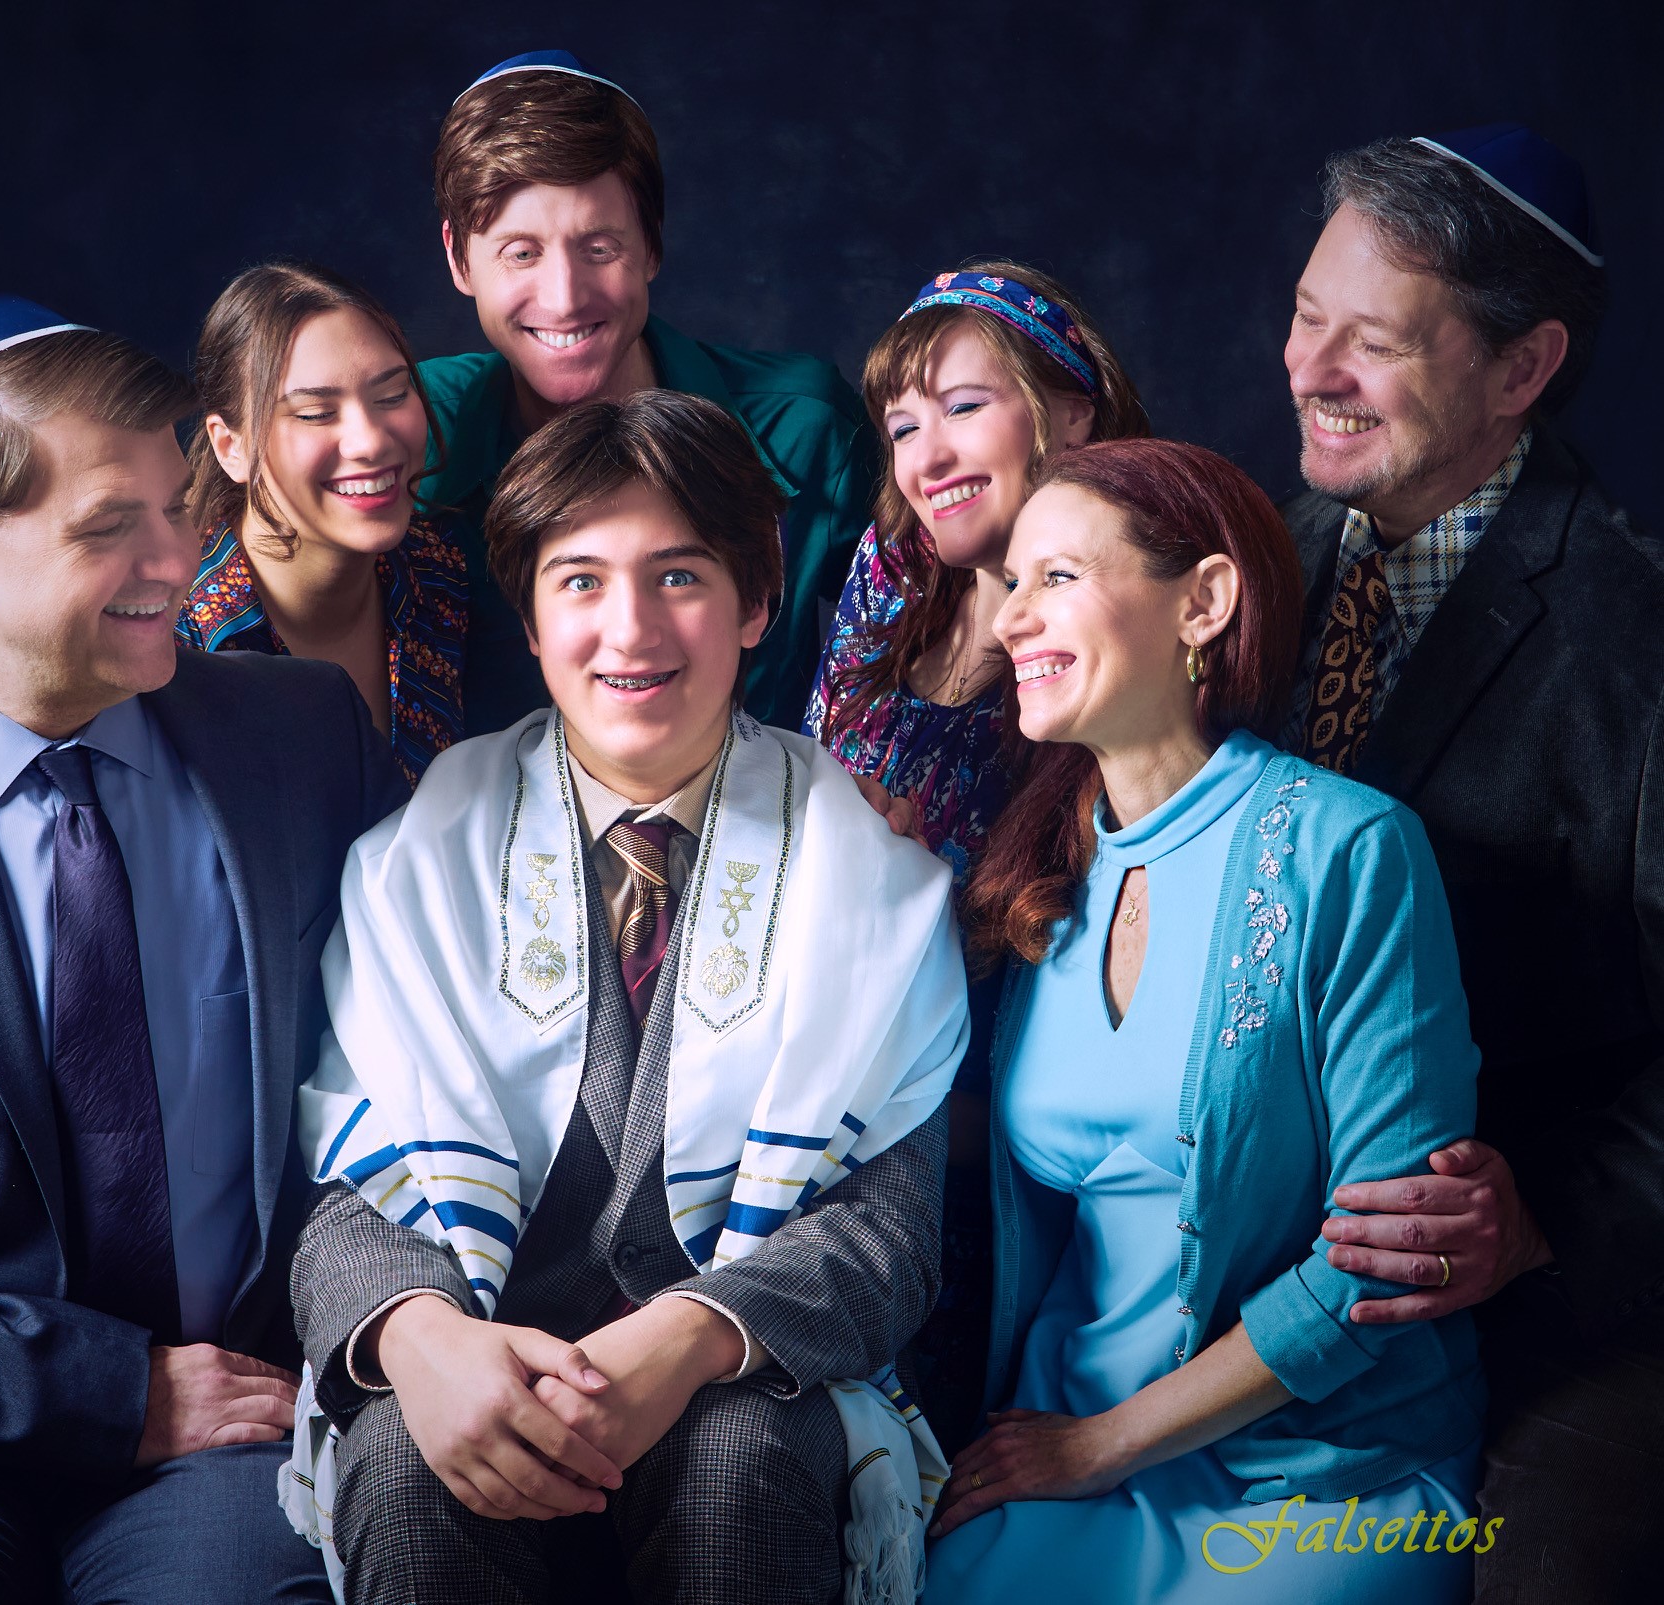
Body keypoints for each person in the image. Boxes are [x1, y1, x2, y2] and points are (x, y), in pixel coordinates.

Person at [286, 389, 967, 1604]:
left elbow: (888, 1229)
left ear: (757, 603)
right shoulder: (414, 858)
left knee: (739, 1460)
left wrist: (693, 1335)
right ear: (532, 617)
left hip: (734, 1370)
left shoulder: (872, 873)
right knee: (404, 1460)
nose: (631, 630)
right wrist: (421, 1338)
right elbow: (352, 1194)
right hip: (482, 1350)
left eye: (681, 578)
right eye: (582, 581)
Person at [0, 296, 408, 1603]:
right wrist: (102, 1390)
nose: (175, 561)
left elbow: (418, 1067)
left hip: (237, 1409)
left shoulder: (307, 740)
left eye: (176, 507)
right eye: (105, 529)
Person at [922, 438, 1486, 1603]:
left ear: (1203, 602)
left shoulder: (1349, 848)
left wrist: (1100, 1449)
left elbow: (1375, 1267)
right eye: (1009, 584)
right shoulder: (1038, 882)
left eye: (1058, 579)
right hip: (1048, 1437)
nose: (1011, 621)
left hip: (1314, 1472)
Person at [1277, 125, 1664, 1602]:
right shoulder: (1260, 561)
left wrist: (1540, 1219)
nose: (1310, 369)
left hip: (1558, 1307)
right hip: (1271, 1276)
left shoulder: (1638, 637)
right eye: (1310, 314)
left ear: (1522, 368)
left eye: (1372, 342)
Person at [804, 261, 1149, 1449]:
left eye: (962, 406)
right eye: (902, 424)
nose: (925, 453)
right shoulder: (888, 580)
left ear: (1071, 411)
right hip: (814, 1076)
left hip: (981, 1127)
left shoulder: (1113, 624)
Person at [420, 49, 877, 736]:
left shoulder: (801, 424)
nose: (565, 297)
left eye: (599, 247)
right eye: (522, 252)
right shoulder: (409, 428)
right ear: (459, 258)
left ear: (652, 246)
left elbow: (928, 631)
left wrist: (869, 778)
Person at [177, 260, 468, 789]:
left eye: (392, 396)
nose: (373, 441)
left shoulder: (441, 572)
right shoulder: (174, 646)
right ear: (231, 446)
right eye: (315, 414)